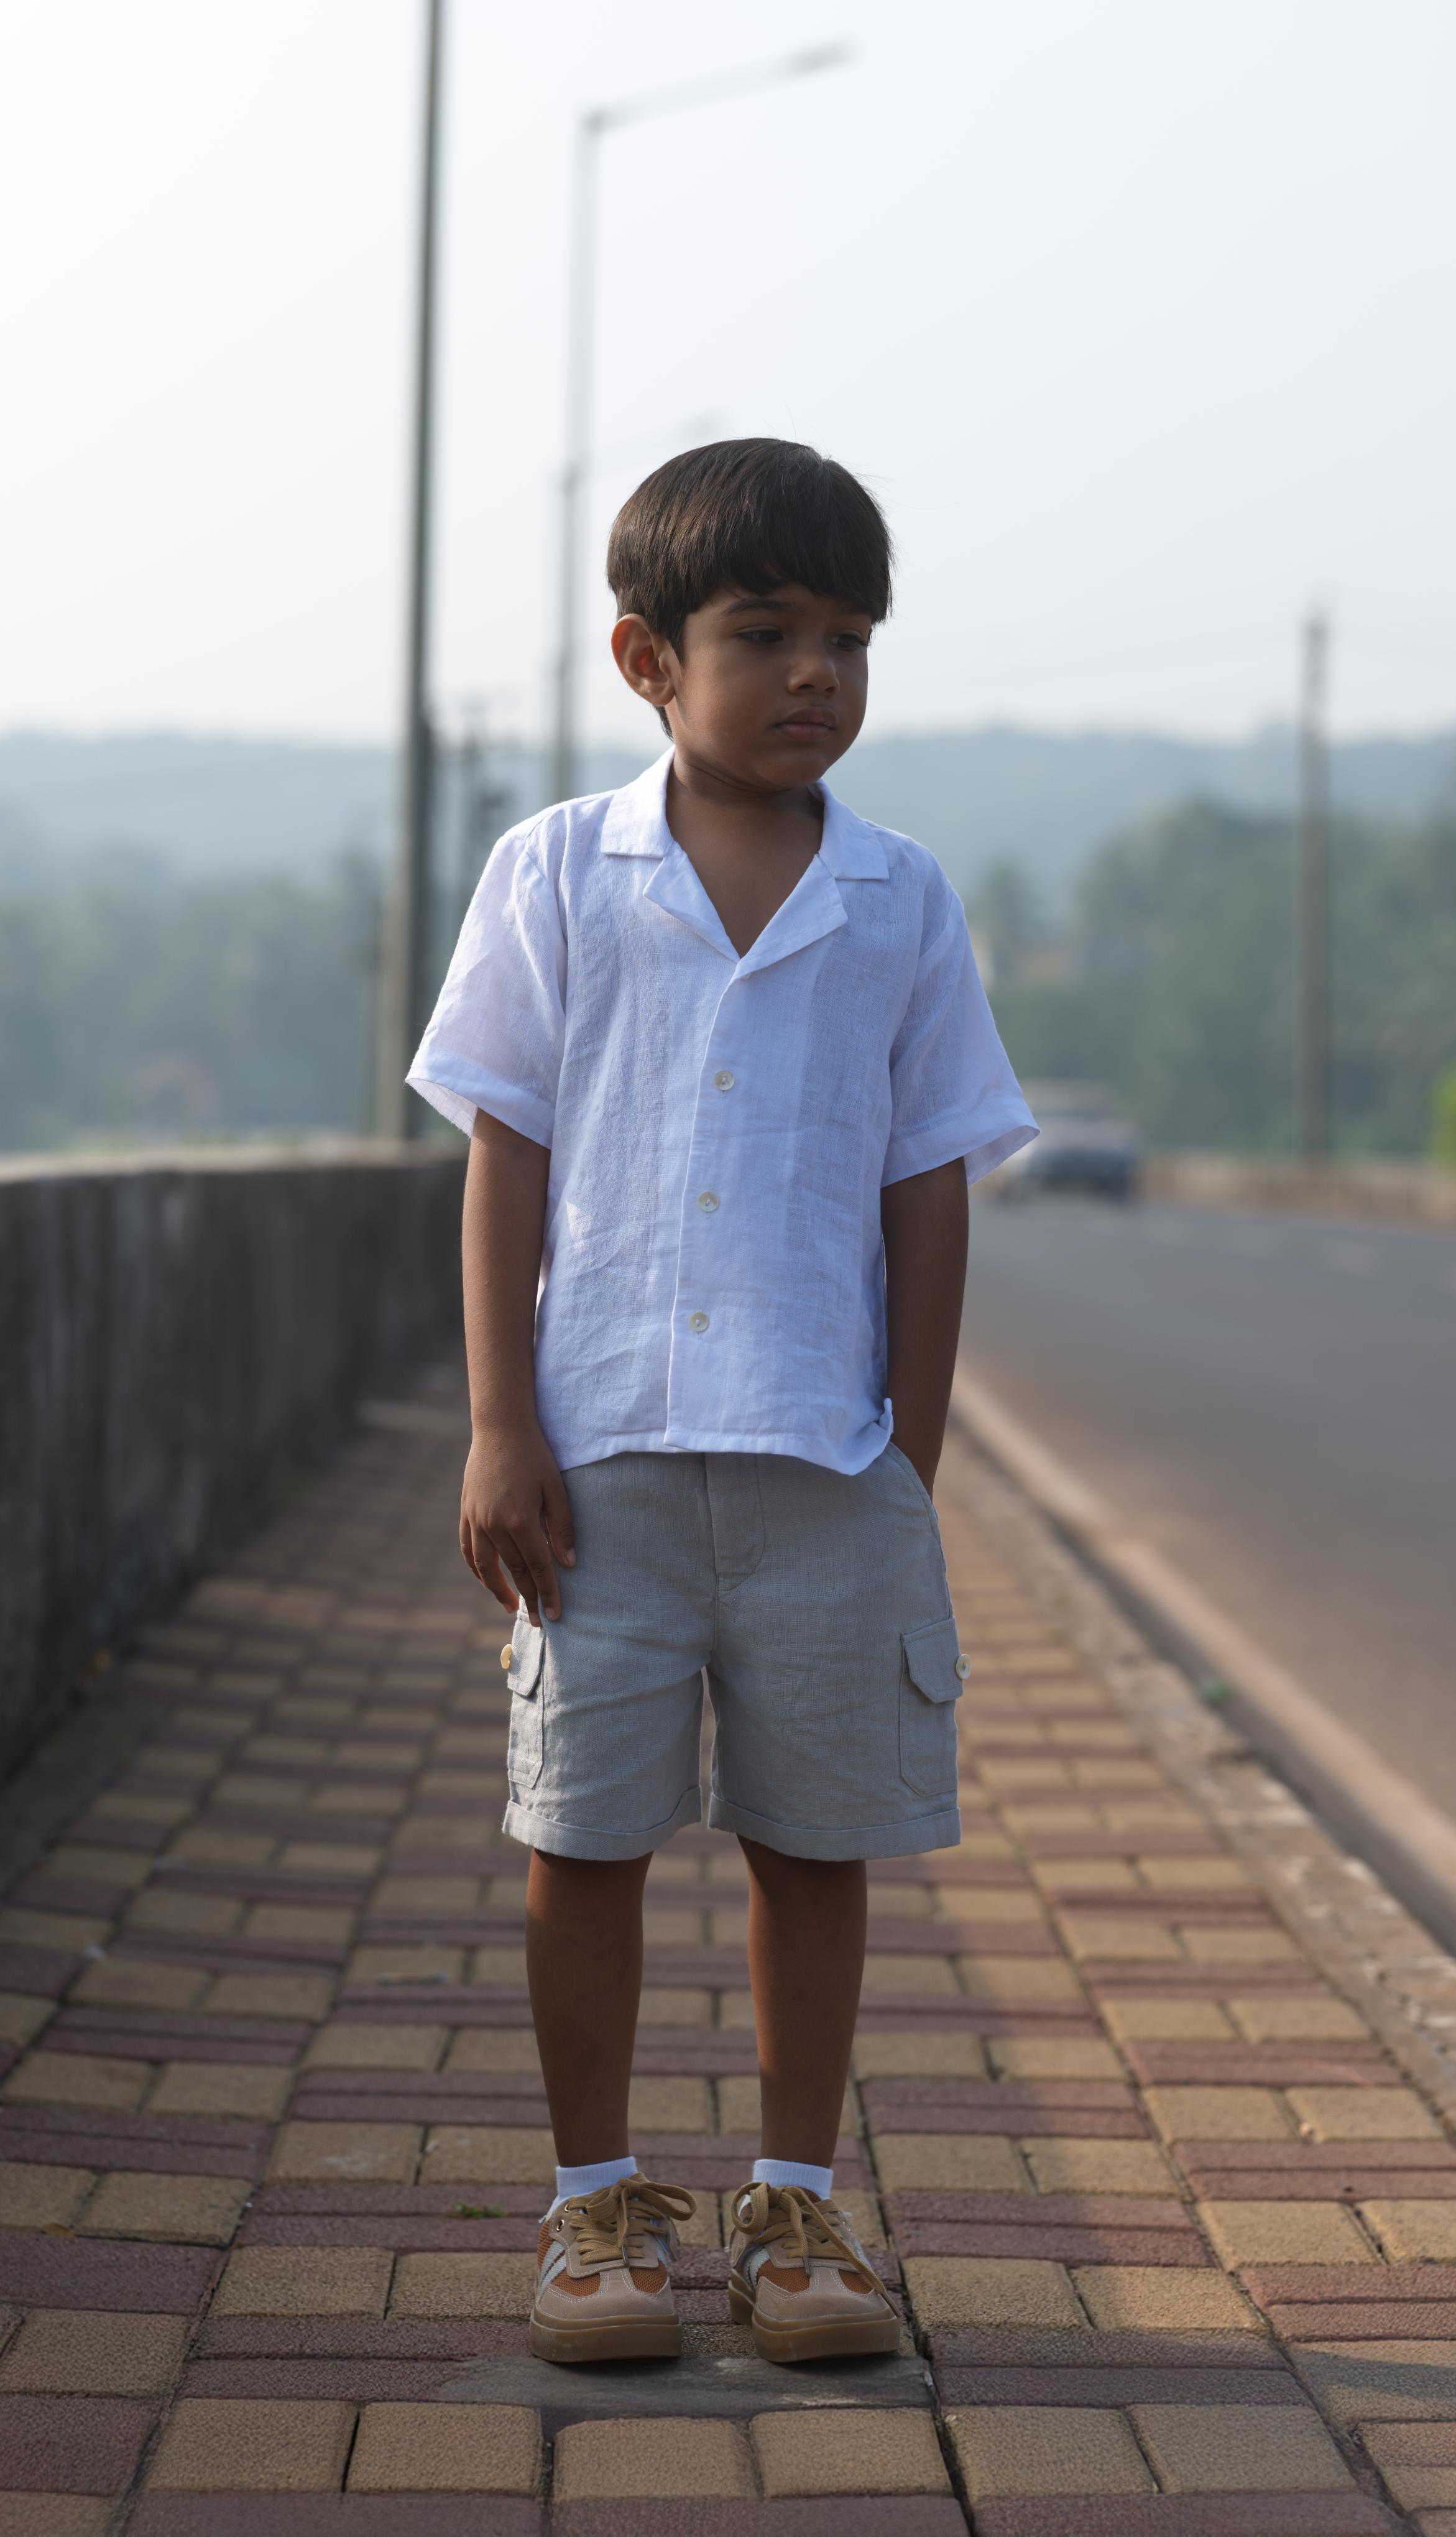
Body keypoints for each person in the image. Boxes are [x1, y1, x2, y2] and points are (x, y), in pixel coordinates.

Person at [408, 438, 1034, 2365]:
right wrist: (499, 1421)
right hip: (594, 1455)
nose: (813, 674)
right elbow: (502, 1149)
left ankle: (798, 2212)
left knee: (808, 1837)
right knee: (578, 1833)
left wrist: (904, 1455)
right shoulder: (558, 877)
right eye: (760, 632)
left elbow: (924, 1184)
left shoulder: (898, 898)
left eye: (848, 638)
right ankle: (592, 2216)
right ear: (643, 659)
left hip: (819, 1455)